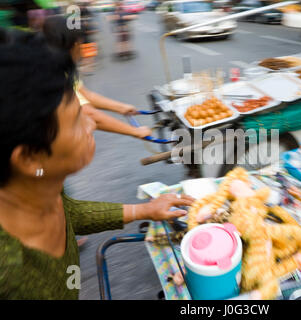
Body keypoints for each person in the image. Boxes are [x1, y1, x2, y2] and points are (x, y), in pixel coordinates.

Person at [0, 29, 193, 299]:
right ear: (29, 158)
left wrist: (146, 210)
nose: (91, 123)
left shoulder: (42, 183)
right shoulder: (9, 275)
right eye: (77, 120)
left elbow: (70, 215)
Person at [42, 15, 151, 139]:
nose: (82, 48)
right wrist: (135, 132)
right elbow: (87, 113)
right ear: (71, 44)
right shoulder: (53, 73)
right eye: (80, 43)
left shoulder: (62, 65)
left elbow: (87, 96)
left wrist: (121, 108)